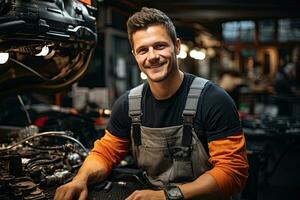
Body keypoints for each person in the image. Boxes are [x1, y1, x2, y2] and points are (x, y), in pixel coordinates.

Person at [54, 7, 248, 200]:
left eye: (160, 46)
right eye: (143, 50)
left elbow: (232, 172)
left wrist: (167, 196)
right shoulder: (128, 105)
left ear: (177, 46)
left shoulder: (213, 100)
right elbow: (105, 153)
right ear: (135, 55)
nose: (152, 56)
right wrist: (81, 178)